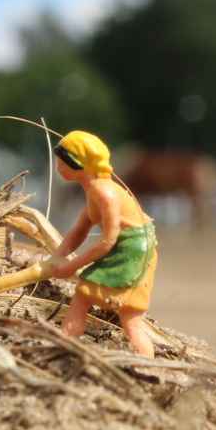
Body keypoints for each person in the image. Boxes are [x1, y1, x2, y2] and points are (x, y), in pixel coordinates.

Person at [46, 130, 158, 357]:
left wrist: (70, 266)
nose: (58, 165)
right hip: (137, 246)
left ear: (80, 164)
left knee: (92, 298)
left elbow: (108, 242)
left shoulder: (103, 192)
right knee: (128, 317)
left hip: (131, 250)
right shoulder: (94, 191)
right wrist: (55, 257)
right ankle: (149, 364)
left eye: (62, 160)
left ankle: (66, 347)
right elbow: (78, 232)